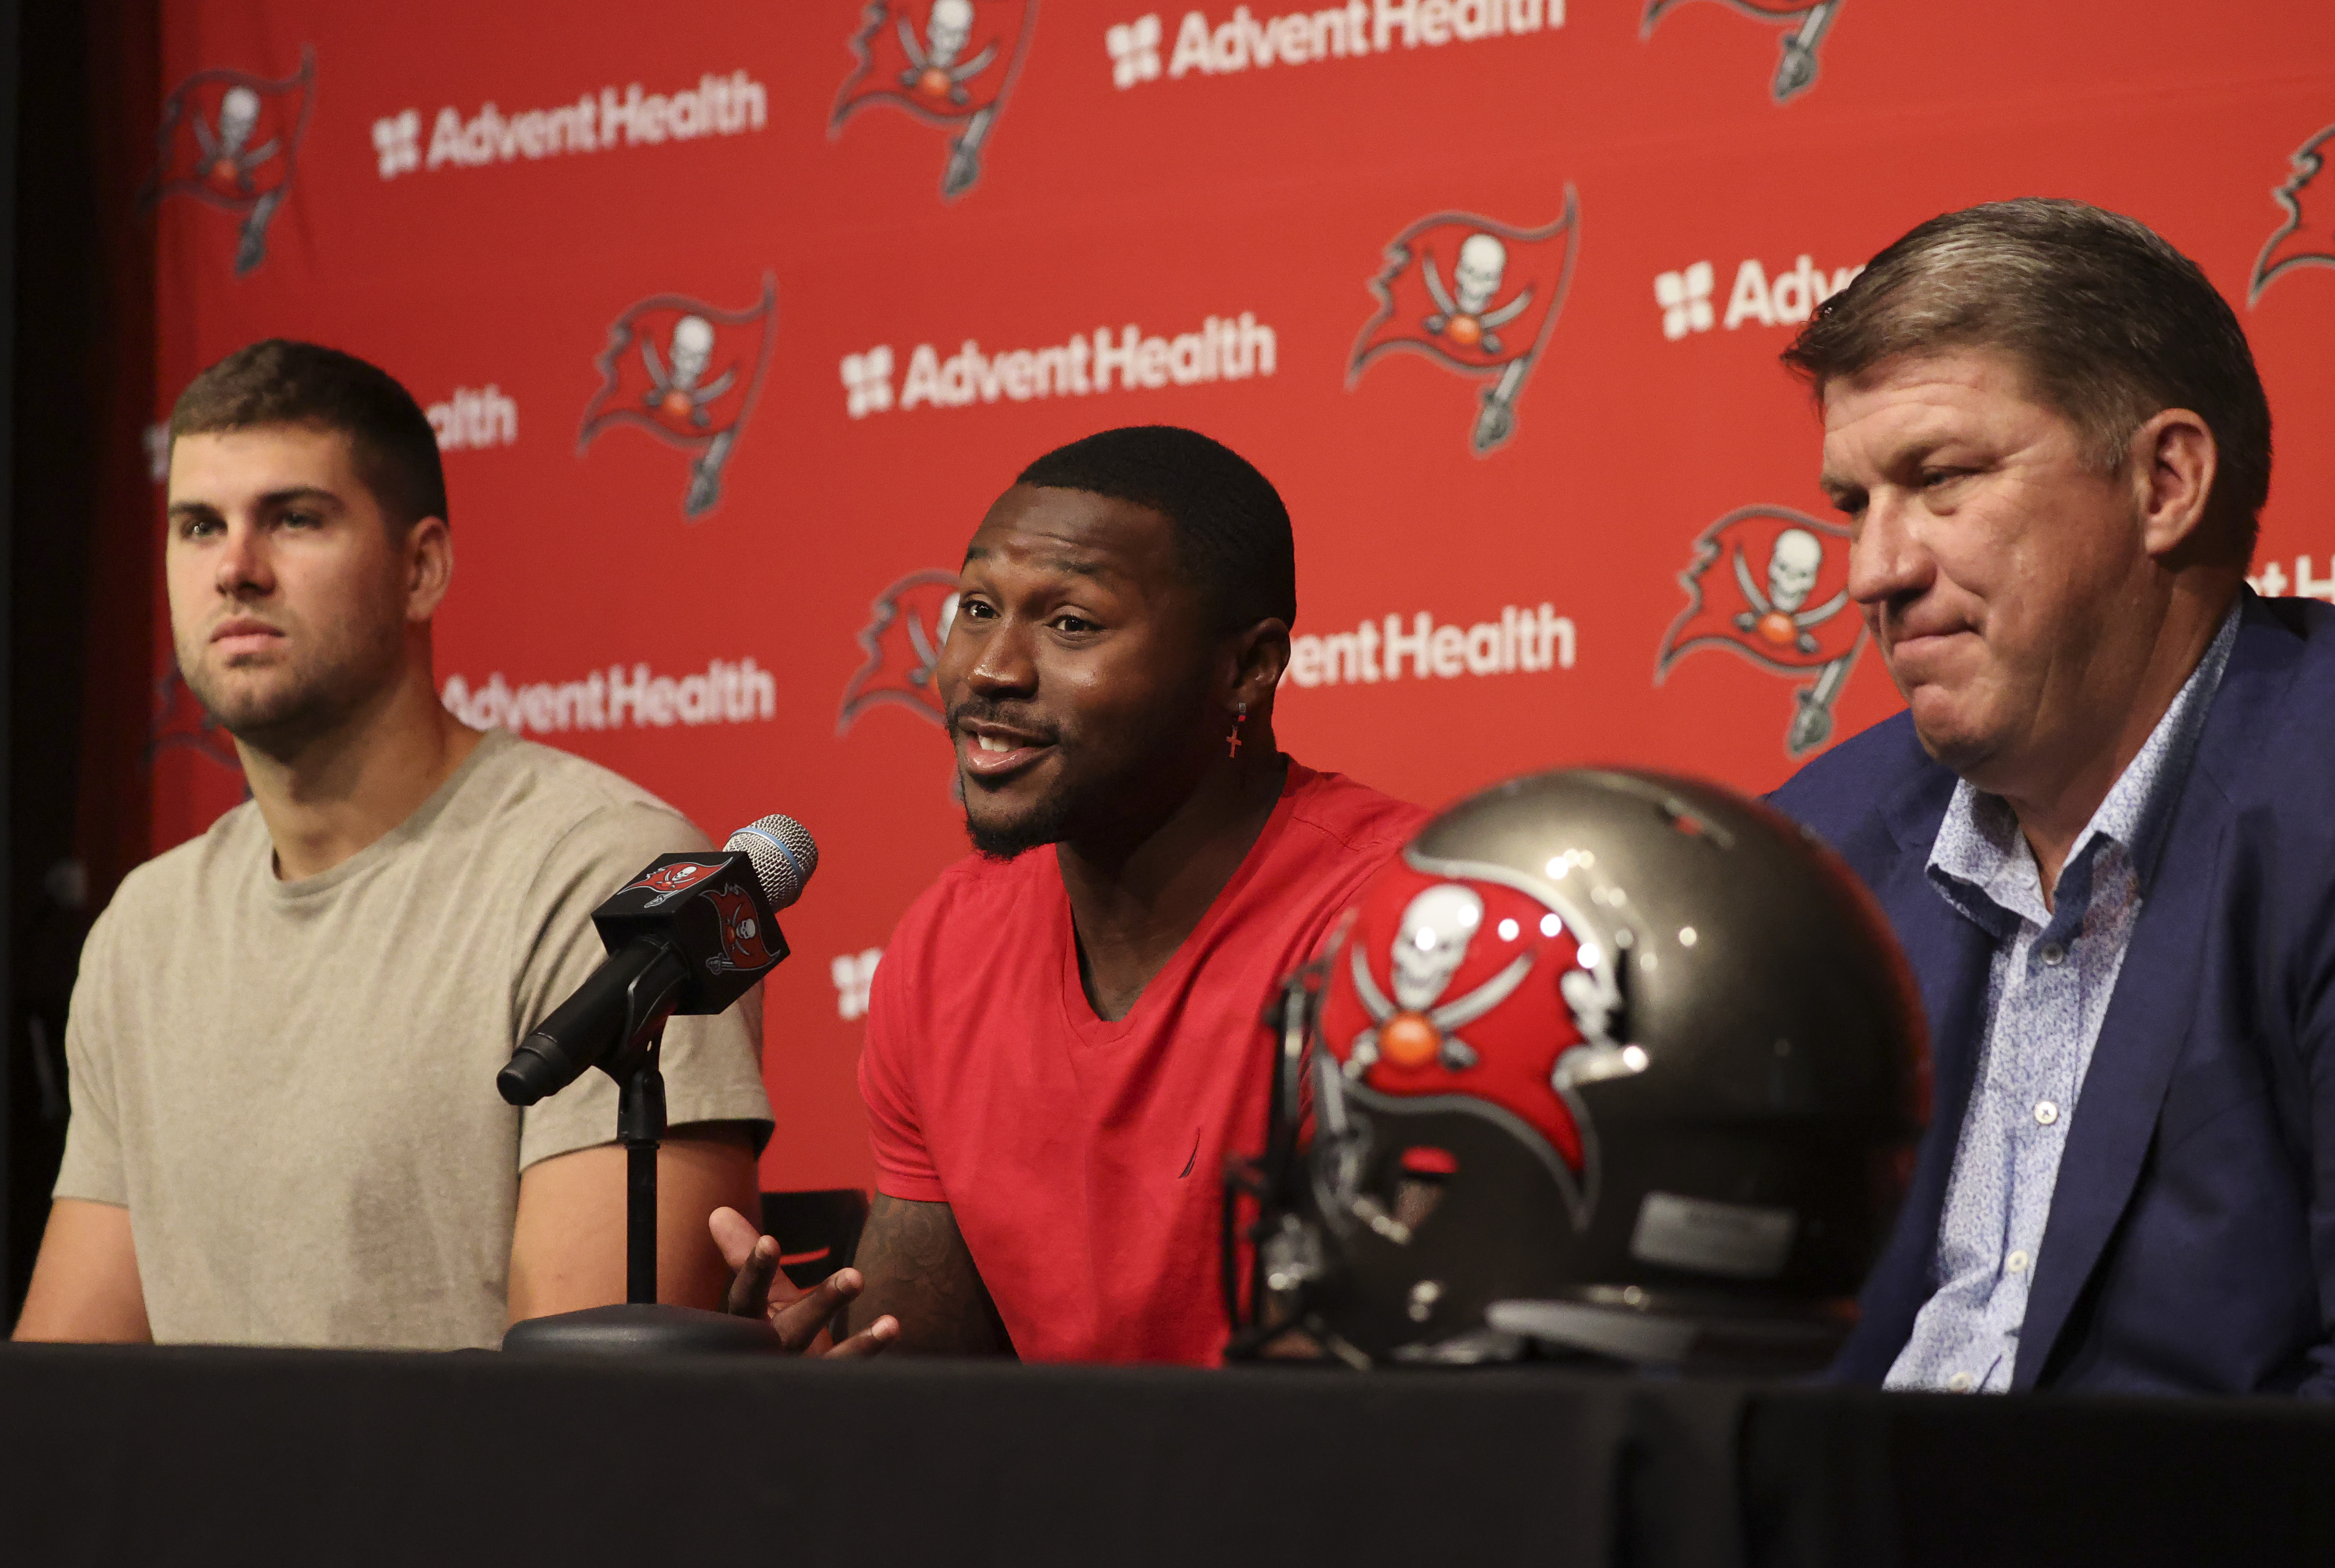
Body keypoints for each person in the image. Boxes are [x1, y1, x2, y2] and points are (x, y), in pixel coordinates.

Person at [12, 340, 774, 1350]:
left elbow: (588, 1429)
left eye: (293, 519)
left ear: (422, 569)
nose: (235, 570)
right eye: (199, 526)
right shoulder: (145, 929)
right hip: (193, 1511)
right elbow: (69, 1397)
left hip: (470, 1509)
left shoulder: (599, 875)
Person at [1770, 199, 2335, 1395]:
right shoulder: (1809, 852)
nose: (1875, 571)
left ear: (2165, 482)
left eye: (1941, 479)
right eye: (1851, 506)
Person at [714, 426, 1427, 1363]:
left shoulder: (1405, 927)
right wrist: (817, 1389)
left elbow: (1381, 1397)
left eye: (1071, 625)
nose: (988, 670)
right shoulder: (946, 949)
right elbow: (927, 1372)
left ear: (1247, 668)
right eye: (975, 608)